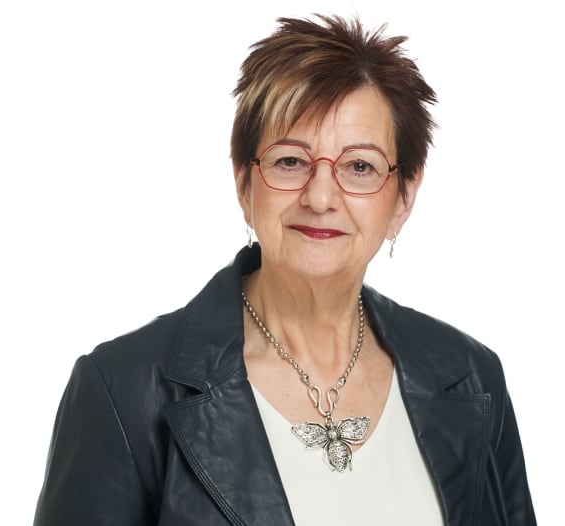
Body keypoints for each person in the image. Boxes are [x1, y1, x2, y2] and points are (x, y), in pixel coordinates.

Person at [34, 15, 536, 526]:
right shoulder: (124, 389)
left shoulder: (472, 378)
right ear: (243, 184)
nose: (320, 197)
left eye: (359, 166)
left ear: (404, 195)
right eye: (291, 161)